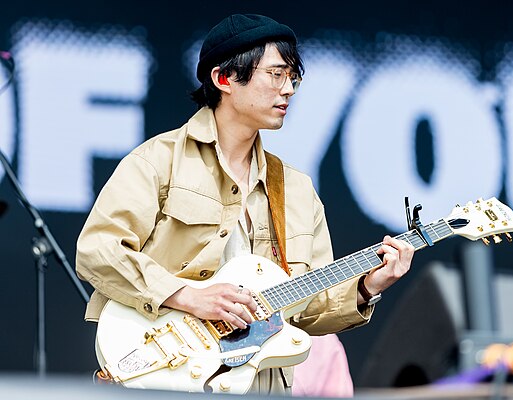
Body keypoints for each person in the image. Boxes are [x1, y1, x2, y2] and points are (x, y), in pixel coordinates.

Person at [76, 13, 414, 395]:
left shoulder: (297, 190)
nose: (288, 89)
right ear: (224, 79)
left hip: (261, 385)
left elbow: (308, 308)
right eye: (276, 74)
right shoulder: (158, 160)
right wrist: (188, 296)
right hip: (168, 374)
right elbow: (97, 250)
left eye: (292, 78)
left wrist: (368, 286)